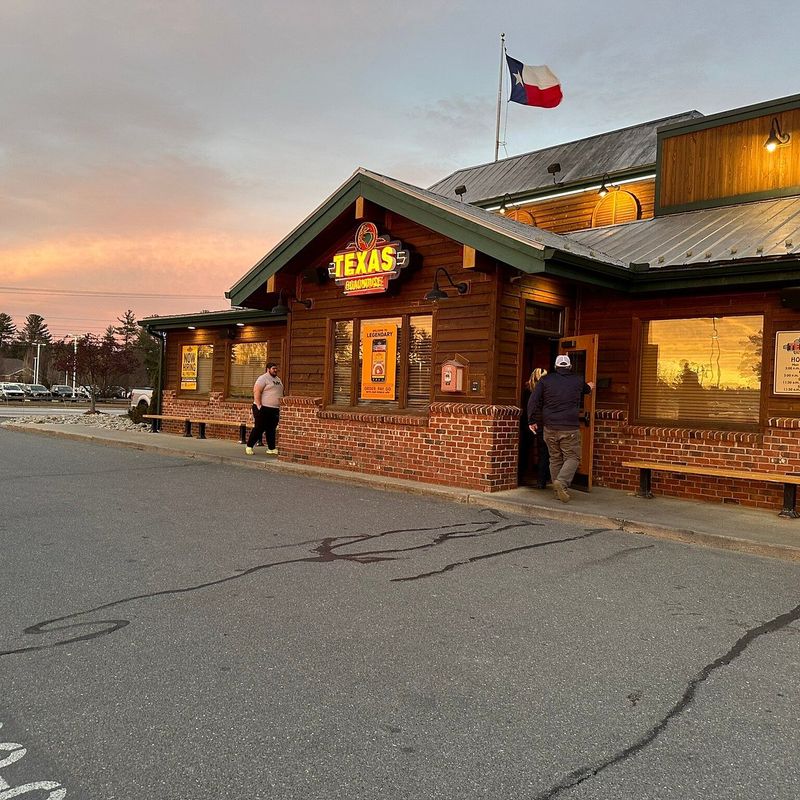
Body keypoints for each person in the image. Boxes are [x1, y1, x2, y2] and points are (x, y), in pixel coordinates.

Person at [527, 354, 594, 503]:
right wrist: (590, 386)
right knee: (573, 457)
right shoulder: (577, 380)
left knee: (555, 458)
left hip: (549, 427)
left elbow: (533, 400)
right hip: (569, 428)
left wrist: (531, 420)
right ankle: (562, 483)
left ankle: (558, 491)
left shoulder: (545, 380)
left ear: (556, 367)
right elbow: (586, 389)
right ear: (569, 367)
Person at [520, 368, 550, 488]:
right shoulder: (545, 390)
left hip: (529, 423)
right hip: (541, 423)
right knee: (544, 451)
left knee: (526, 449)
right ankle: (542, 480)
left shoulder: (527, 389)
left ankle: (521, 476)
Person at [245, 362, 283, 456]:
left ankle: (271, 448)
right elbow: (257, 391)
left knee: (271, 429)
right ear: (268, 369)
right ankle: (249, 446)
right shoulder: (263, 378)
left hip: (274, 409)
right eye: (273, 368)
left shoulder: (278, 380)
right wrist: (258, 405)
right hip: (263, 408)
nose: (275, 370)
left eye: (276, 368)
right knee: (259, 428)